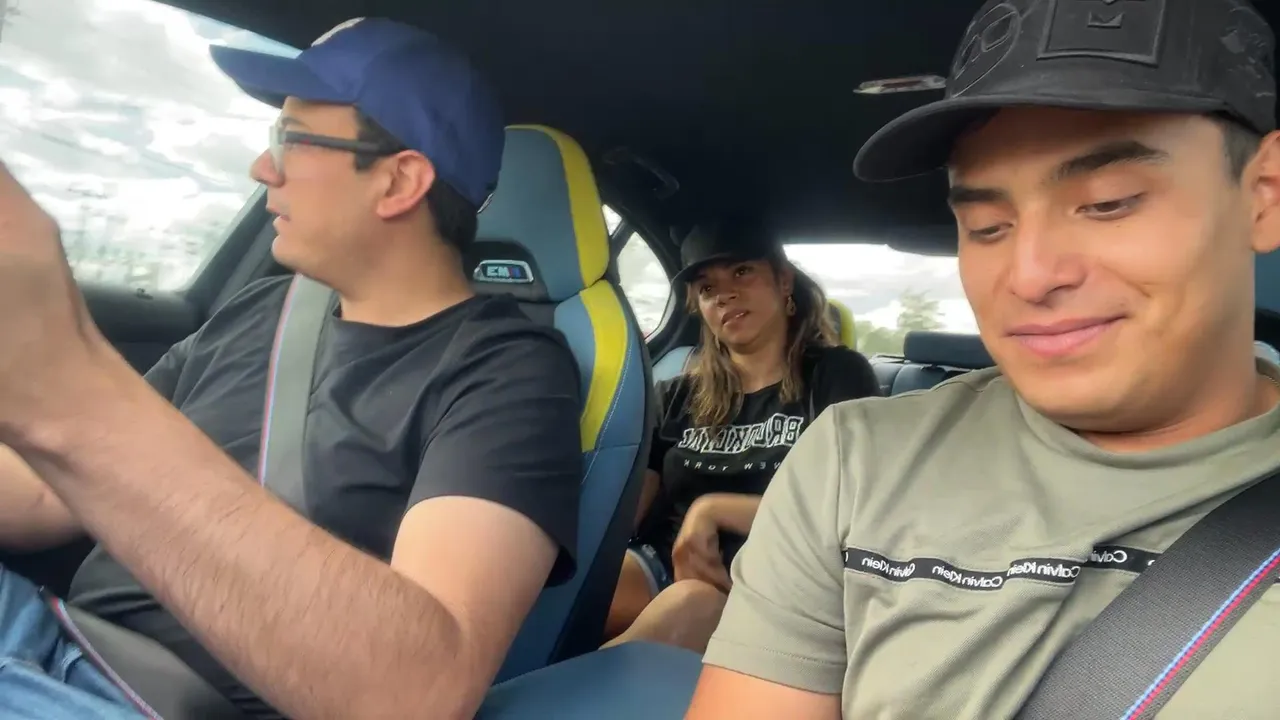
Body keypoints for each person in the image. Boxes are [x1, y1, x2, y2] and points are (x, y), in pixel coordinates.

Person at [686, 0, 1280, 718]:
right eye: (986, 226)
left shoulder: (833, 388)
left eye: (1109, 202)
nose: (1029, 276)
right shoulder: (854, 465)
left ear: (1264, 195)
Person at [0, 17, 582, 720]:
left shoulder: (510, 374)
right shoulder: (258, 311)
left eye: (292, 140)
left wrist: (79, 402)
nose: (262, 167)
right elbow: (45, 492)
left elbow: (418, 693)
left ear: (398, 181)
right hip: (44, 634)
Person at [603, 225, 880, 652]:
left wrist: (714, 509)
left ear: (783, 281)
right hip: (664, 564)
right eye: (707, 288)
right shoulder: (676, 394)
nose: (724, 295)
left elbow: (848, 506)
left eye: (742, 272)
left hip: (769, 583)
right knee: (555, 596)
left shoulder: (836, 375)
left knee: (686, 607)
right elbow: (625, 511)